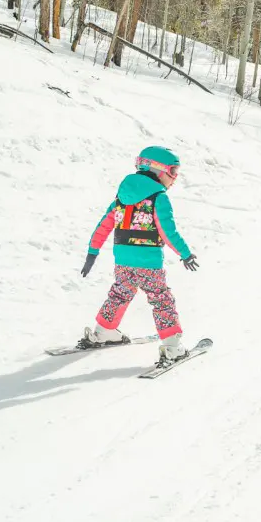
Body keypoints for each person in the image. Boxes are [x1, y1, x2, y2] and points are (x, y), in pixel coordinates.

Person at [80, 146, 199, 365]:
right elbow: (167, 231)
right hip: (149, 264)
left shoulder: (122, 197)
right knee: (161, 299)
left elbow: (104, 225)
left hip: (123, 262)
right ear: (157, 169)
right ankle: (172, 347)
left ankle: (103, 331)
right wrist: (185, 253)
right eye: (173, 171)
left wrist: (93, 252)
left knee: (120, 294)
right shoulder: (158, 197)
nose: (175, 178)